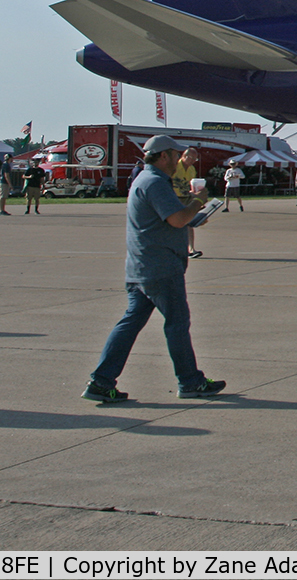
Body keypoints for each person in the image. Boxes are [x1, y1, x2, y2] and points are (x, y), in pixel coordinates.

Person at [81, 134, 224, 404]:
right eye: (175, 154)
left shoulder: (145, 180)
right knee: (177, 324)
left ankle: (101, 381)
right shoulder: (156, 182)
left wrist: (192, 215)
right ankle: (190, 381)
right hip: (160, 268)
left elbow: (172, 219)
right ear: (163, 156)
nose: (179, 159)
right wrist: (198, 202)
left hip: (141, 267)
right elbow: (178, 218)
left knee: (130, 323)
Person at [171, 148, 202, 258]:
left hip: (186, 198)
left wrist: (195, 194)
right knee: (174, 224)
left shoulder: (192, 169)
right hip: (174, 198)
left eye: (195, 159)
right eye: (192, 158)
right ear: (185, 156)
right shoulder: (174, 166)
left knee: (189, 223)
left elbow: (191, 185)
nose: (193, 161)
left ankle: (191, 249)